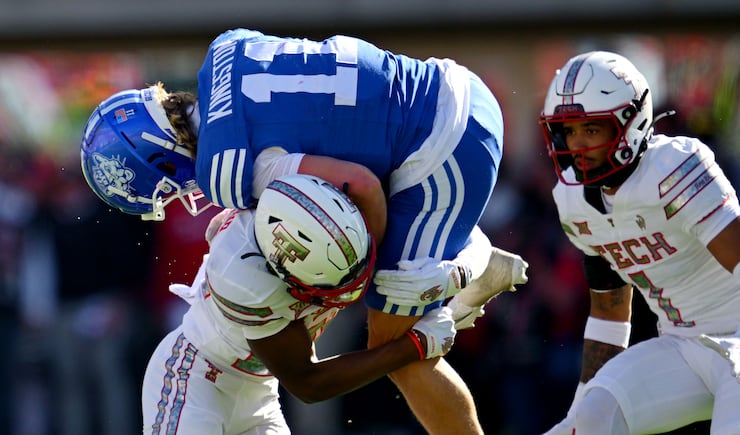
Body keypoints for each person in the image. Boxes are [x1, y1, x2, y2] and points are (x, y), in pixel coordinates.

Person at [80, 28, 529, 434]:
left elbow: (361, 186)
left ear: (158, 156)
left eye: (167, 187)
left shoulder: (231, 176)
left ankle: (459, 271)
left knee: (390, 339)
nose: (184, 194)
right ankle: (465, 265)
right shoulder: (225, 50)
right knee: (379, 281)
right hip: (447, 87)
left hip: (438, 143)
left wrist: (367, 281)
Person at [141, 173, 458, 434]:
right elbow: (308, 383)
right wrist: (415, 345)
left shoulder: (346, 200)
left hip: (260, 391)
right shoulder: (244, 277)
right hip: (196, 379)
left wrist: (458, 273)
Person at [539, 50, 740, 434]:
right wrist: (577, 414)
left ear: (630, 123)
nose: (576, 145)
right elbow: (609, 312)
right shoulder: (572, 202)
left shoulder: (673, 169)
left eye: (591, 130)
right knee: (595, 414)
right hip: (682, 346)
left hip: (738, 335)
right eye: (569, 130)